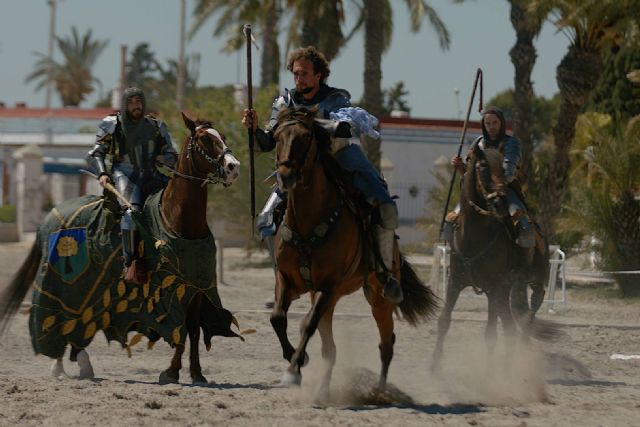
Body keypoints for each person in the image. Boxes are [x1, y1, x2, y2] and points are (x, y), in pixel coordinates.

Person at [242, 46, 403, 304]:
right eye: (296, 74)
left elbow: (344, 128)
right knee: (265, 218)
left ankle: (385, 273)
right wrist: (253, 130)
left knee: (385, 208)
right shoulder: (284, 103)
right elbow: (267, 142)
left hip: (339, 158)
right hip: (298, 167)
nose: (299, 79)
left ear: (319, 75)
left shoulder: (335, 98)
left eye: (304, 74)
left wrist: (311, 123)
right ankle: (282, 281)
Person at [86, 86, 178, 284]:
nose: (136, 106)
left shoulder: (156, 126)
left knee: (179, 198)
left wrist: (165, 158)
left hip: (152, 174)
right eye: (131, 102)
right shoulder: (112, 124)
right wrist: (102, 173)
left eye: (138, 102)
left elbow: (171, 153)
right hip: (125, 175)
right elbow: (95, 154)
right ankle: (130, 263)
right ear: (124, 105)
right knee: (130, 214)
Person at [449, 106, 536, 270]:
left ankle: (524, 269)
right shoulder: (478, 143)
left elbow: (508, 173)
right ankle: (455, 263)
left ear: (501, 123)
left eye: (494, 122)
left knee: (524, 225)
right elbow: (469, 175)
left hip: (504, 191)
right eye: (488, 123)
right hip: (478, 193)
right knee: (451, 221)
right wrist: (460, 167)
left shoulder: (511, 144)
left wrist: (493, 185)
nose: (491, 126)